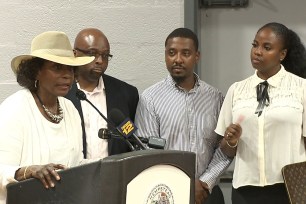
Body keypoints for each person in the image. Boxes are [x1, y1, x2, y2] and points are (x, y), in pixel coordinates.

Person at [135, 27, 232, 204]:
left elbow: (223, 149)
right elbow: (147, 153)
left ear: (197, 56)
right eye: (171, 53)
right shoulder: (150, 99)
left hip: (208, 194)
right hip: (167, 193)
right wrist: (183, 183)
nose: (177, 59)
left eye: (185, 53)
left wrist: (205, 182)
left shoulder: (215, 98)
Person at [215, 22, 306, 204]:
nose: (257, 51)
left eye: (267, 47)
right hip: (246, 190)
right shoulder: (237, 90)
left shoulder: (301, 88)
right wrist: (231, 142)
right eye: (255, 45)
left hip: (290, 188)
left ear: (282, 54)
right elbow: (224, 149)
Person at [0, 31, 94, 203]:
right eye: (57, 67)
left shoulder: (70, 109)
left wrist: (102, 165)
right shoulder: (14, 109)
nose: (67, 75)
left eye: (71, 69)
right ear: (35, 72)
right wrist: (28, 171)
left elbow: (75, 163)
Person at [65, 28, 139, 159]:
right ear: (75, 54)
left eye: (105, 55)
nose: (100, 60)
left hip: (115, 175)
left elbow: (130, 140)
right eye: (92, 53)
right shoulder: (61, 93)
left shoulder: (126, 94)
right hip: (73, 175)